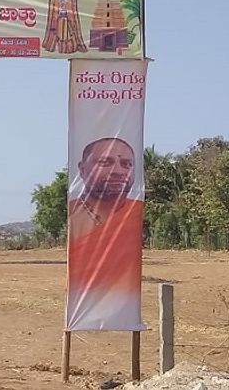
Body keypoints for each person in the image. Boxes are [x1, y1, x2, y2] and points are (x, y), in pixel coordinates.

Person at [66, 137, 144, 330]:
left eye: (127, 164)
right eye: (105, 162)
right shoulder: (74, 214)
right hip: (81, 310)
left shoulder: (136, 214)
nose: (118, 171)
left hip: (125, 308)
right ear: (82, 169)